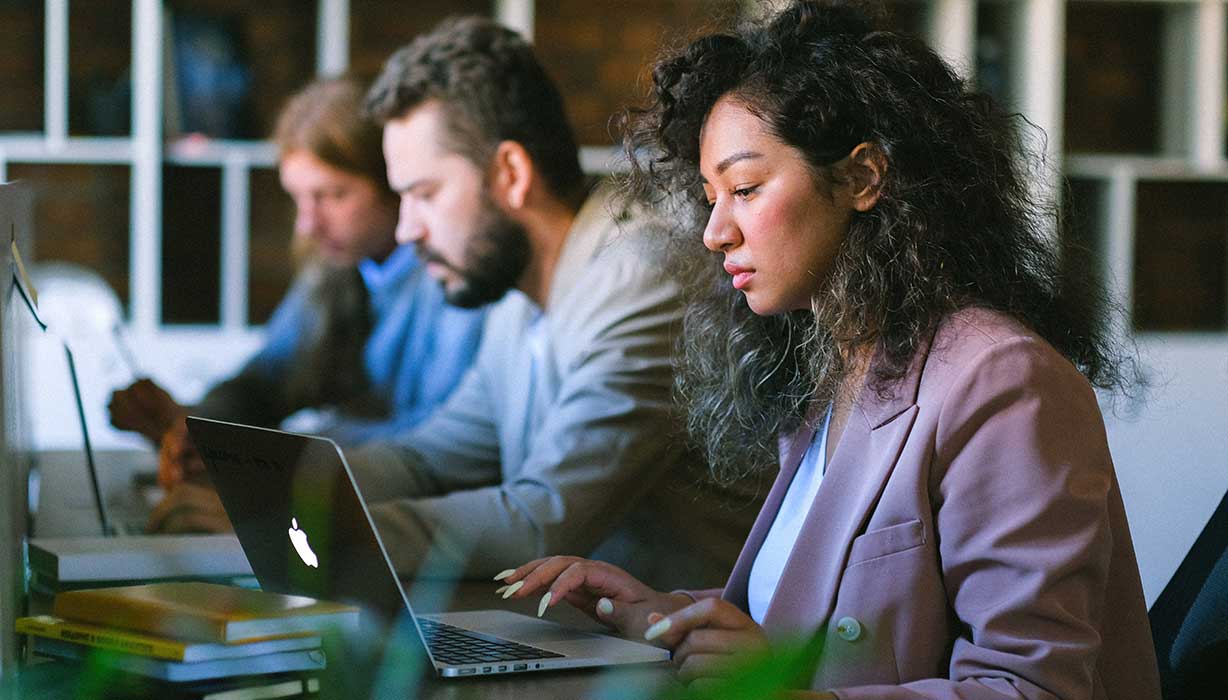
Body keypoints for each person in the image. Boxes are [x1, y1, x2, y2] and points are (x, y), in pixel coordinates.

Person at [497, 2, 1162, 697]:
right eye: (710, 196)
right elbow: (812, 627)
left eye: (746, 188)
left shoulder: (1003, 381)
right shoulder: (841, 369)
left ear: (862, 178)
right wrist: (666, 618)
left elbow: (1032, 689)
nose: (714, 232)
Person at [135, 17, 762, 590]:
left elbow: (545, 517)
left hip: (685, 663)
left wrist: (289, 529)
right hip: (581, 639)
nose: (407, 230)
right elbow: (430, 456)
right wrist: (263, 488)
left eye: (425, 194)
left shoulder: (640, 273)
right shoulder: (521, 292)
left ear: (510, 175)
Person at [109, 78, 486, 533]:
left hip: (422, 526)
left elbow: (436, 443)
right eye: (299, 198)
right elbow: (266, 379)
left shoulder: (456, 277)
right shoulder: (336, 267)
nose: (308, 223)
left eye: (333, 195)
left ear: (395, 183)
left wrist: (263, 458)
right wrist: (202, 426)